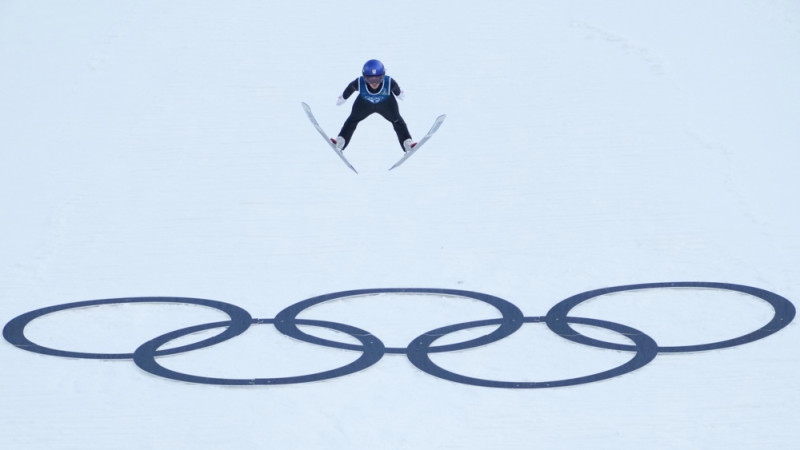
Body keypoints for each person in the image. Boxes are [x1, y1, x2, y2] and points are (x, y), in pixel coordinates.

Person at [331, 59, 416, 153]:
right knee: (352, 120)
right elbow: (349, 89)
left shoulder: (389, 82)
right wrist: (342, 98)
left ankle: (407, 143)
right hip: (364, 105)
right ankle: (341, 141)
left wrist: (400, 95)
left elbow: (397, 90)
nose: (374, 83)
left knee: (398, 121)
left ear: (383, 76)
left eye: (378, 79)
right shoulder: (359, 82)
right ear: (364, 77)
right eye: (370, 79)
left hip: (386, 105)